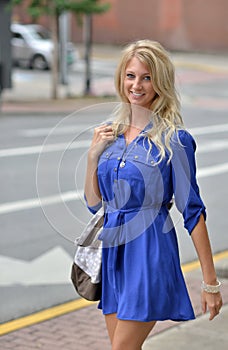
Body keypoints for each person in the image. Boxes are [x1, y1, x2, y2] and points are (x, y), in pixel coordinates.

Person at [84, 40, 223, 350]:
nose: (137, 85)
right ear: (121, 78)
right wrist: (93, 156)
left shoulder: (175, 140)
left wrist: (210, 282)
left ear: (160, 83)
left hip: (149, 252)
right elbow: (94, 204)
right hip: (113, 255)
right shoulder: (110, 134)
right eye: (131, 75)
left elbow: (192, 211)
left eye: (147, 77)